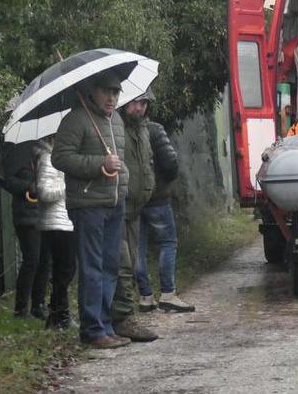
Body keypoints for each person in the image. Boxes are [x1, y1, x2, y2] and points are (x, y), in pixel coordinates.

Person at [52, 72, 130, 349]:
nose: (111, 98)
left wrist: (124, 182)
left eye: (116, 92)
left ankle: (105, 326)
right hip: (88, 206)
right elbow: (60, 157)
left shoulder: (117, 120)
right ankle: (92, 330)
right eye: (106, 92)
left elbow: (120, 159)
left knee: (110, 266)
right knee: (93, 268)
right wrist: (100, 164)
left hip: (114, 204)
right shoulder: (76, 119)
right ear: (93, 92)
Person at [111, 91, 158, 342]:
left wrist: (148, 189)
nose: (139, 108)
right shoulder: (115, 127)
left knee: (129, 262)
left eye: (143, 103)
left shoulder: (142, 130)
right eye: (134, 102)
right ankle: (122, 317)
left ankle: (122, 315)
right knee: (123, 263)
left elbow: (147, 163)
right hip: (118, 205)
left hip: (137, 208)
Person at [136, 113, 195, 313]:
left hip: (134, 199)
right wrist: (166, 180)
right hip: (157, 197)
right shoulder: (154, 129)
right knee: (168, 242)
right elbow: (170, 163)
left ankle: (145, 296)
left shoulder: (120, 131)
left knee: (138, 247)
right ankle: (168, 293)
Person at [1, 140, 50, 320]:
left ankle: (38, 305)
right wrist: (28, 188)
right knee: (32, 260)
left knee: (45, 260)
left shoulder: (49, 154)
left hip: (46, 212)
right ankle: (21, 309)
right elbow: (7, 181)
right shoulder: (18, 152)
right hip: (26, 215)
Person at [33, 136, 76, 330]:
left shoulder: (62, 159)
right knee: (63, 270)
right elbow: (43, 192)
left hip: (66, 220)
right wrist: (68, 184)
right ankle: (60, 314)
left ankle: (58, 313)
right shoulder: (47, 159)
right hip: (54, 222)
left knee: (67, 269)